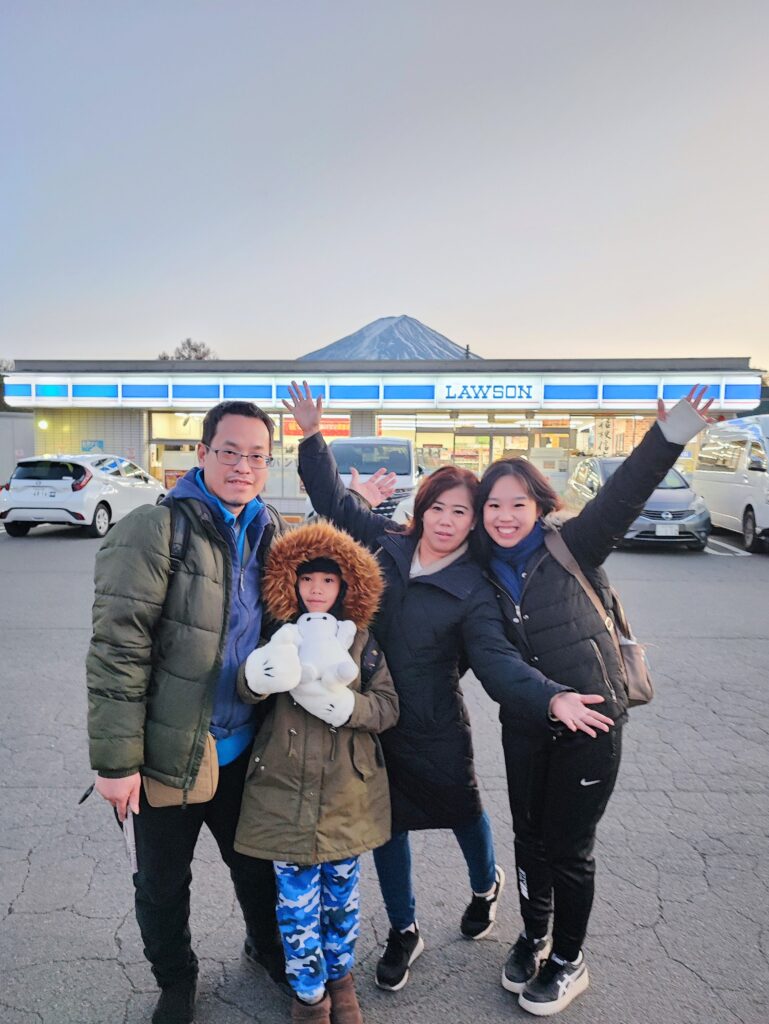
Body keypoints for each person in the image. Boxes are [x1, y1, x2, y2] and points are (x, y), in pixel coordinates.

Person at [283, 381, 614, 995]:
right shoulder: (385, 545)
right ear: (422, 507)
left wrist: (549, 695)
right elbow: (332, 499)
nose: (446, 520)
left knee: (464, 811)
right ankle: (404, 929)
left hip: (437, 721)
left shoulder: (475, 588)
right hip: (374, 718)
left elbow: (494, 661)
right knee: (387, 827)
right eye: (438, 507)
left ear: (475, 523)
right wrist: (311, 436)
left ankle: (485, 884)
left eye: (461, 512)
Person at [471, 387, 712, 1016]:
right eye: (492, 505)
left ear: (537, 505)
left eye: (516, 503)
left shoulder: (572, 544)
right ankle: (533, 934)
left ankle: (568, 958)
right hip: (528, 721)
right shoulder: (478, 570)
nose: (504, 516)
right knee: (529, 837)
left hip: (592, 720)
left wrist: (667, 437)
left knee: (568, 847)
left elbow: (623, 493)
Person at [86, 400, 292, 1024]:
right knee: (162, 885)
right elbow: (117, 651)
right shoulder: (155, 528)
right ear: (201, 454)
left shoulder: (272, 528)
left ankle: (266, 949)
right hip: (166, 752)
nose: (242, 465)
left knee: (255, 867)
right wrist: (116, 763)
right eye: (229, 451)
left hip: (245, 750)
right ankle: (176, 979)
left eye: (256, 455)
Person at [234, 519, 399, 1023]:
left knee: (341, 899)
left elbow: (388, 707)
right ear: (292, 584)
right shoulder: (275, 635)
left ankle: (340, 978)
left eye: (328, 581)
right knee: (296, 904)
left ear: (345, 586)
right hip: (283, 791)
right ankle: (308, 993)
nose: (317, 590)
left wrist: (350, 708)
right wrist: (256, 678)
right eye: (308, 580)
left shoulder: (362, 642)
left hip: (347, 794)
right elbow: (244, 694)